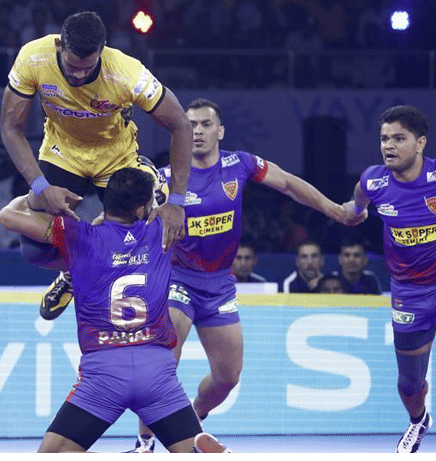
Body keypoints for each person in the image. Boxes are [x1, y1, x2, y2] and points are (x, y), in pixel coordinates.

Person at [132, 98, 357, 452]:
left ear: (220, 131)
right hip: (177, 278)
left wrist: (333, 209)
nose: (198, 131)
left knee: (227, 378)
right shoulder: (165, 178)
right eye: (191, 125)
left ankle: (194, 417)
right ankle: (145, 442)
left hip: (220, 285)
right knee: (162, 364)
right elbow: (131, 218)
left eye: (206, 124)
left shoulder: (240, 164)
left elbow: (287, 183)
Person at [0, 167, 230, 454]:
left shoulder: (79, 235)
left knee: (52, 454)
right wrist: (171, 205)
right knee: (189, 448)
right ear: (142, 208)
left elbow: (7, 216)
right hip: (156, 371)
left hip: (104, 373)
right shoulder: (163, 231)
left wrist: (37, 195)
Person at [0, 10, 192, 322]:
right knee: (35, 252)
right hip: (62, 152)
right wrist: (40, 186)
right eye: (72, 67)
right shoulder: (33, 57)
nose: (78, 76)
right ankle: (70, 272)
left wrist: (178, 202)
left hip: (117, 158)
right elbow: (11, 128)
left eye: (86, 68)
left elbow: (181, 125)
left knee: (149, 235)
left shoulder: (127, 72)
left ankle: (145, 179)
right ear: (60, 45)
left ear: (102, 50)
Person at [342, 105, 436, 453]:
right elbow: (356, 205)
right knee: (409, 384)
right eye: (384, 138)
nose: (388, 145)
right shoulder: (373, 181)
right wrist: (352, 212)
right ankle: (419, 421)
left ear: (420, 143)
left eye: (398, 138)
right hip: (408, 293)